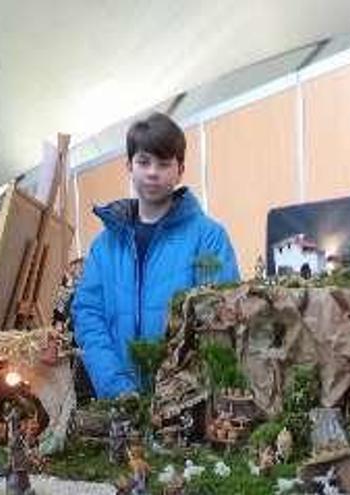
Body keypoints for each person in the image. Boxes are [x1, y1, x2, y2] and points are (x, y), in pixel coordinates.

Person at [73, 112, 239, 398]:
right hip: (119, 403)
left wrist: (180, 390)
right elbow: (89, 315)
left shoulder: (208, 237)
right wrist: (115, 386)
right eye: (143, 161)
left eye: (164, 163)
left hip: (186, 402)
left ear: (180, 169)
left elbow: (219, 319)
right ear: (129, 165)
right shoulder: (105, 246)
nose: (152, 172)